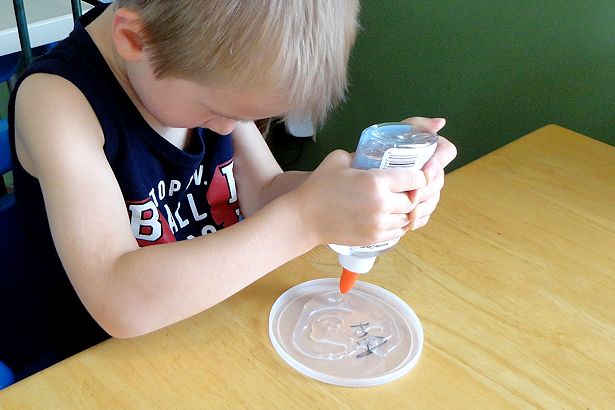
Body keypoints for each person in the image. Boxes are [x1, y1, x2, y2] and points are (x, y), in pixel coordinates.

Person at [4, 0, 456, 378]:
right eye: (221, 112)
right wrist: (305, 219)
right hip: (89, 361)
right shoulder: (56, 102)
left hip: (205, 323)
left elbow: (266, 191)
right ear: (134, 39)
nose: (232, 128)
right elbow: (117, 298)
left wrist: (362, 189)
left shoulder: (203, 72)